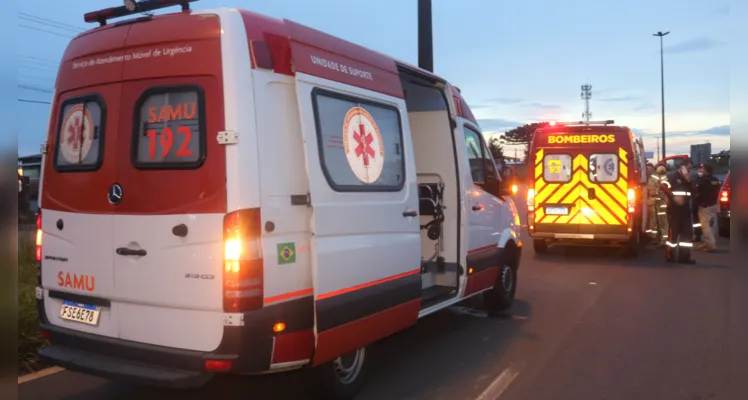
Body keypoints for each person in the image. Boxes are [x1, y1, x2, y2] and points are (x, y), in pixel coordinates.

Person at [659, 159, 696, 264]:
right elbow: (662, 185)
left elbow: (694, 192)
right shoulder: (672, 176)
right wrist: (673, 196)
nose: (689, 170)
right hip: (674, 209)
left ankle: (684, 257)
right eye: (688, 168)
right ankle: (670, 255)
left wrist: (690, 182)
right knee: (673, 233)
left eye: (690, 169)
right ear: (682, 167)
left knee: (687, 233)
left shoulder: (689, 178)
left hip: (686, 209)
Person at [695, 164, 721, 252]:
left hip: (705, 206)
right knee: (712, 225)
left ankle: (711, 245)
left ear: (705, 171)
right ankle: (707, 243)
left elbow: (697, 192)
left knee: (705, 226)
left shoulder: (702, 181)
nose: (701, 171)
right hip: (714, 204)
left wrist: (698, 201)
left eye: (702, 170)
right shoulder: (716, 180)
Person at [653, 165, 669, 246]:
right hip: (661, 205)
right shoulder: (664, 180)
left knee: (663, 224)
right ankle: (662, 240)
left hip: (662, 205)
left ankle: (664, 241)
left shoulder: (663, 182)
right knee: (661, 223)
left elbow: (661, 194)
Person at [645, 163, 659, 239]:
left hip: (653, 200)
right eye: (647, 169)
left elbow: (659, 190)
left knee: (653, 220)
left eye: (650, 169)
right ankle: (648, 234)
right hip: (646, 201)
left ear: (653, 170)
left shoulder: (655, 179)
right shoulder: (645, 178)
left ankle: (653, 236)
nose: (648, 171)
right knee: (648, 219)